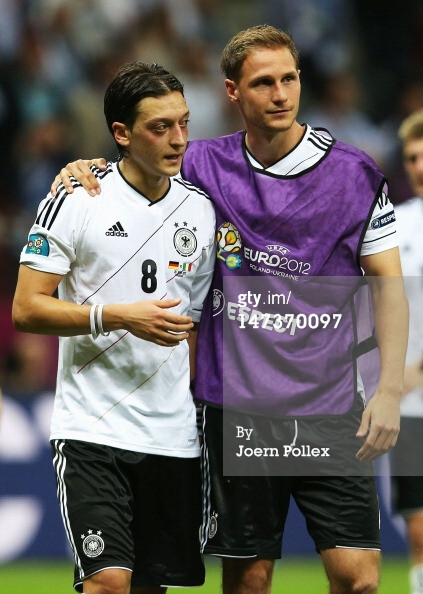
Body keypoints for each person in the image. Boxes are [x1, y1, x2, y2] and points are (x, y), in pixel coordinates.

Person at [51, 25, 409, 594]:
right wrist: (87, 167)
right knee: (249, 582)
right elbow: (135, 166)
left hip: (331, 403)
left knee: (360, 579)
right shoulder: (199, 168)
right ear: (233, 92)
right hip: (236, 407)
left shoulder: (356, 173)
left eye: (289, 78)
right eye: (263, 82)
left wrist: (389, 390)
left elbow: (389, 285)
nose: (280, 94)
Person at [12, 61, 216, 594]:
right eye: (160, 127)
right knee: (107, 585)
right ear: (121, 134)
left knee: (148, 587)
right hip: (91, 429)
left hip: (172, 436)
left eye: (184, 123)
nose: (178, 140)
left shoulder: (201, 212)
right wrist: (116, 315)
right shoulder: (77, 198)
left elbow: (197, 323)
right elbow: (27, 308)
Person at [390, 109, 423, 594]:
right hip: (411, 407)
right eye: (412, 157)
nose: (419, 165)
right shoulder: (395, 225)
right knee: (419, 532)